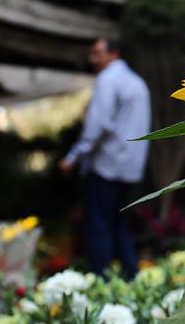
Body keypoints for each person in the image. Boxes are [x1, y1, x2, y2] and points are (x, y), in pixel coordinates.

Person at [59, 37, 151, 280]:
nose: (93, 59)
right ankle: (130, 275)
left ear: (114, 53)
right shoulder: (137, 82)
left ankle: (100, 279)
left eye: (97, 53)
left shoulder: (107, 80)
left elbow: (97, 125)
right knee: (119, 221)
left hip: (107, 165)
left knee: (99, 224)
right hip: (131, 167)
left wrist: (73, 156)